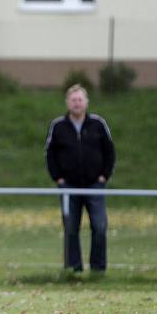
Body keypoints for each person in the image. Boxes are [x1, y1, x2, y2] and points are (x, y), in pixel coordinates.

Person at [45, 84, 115, 275]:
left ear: (86, 102)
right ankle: (73, 268)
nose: (77, 103)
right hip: (68, 186)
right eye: (73, 100)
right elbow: (50, 155)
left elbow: (110, 152)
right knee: (70, 227)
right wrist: (58, 178)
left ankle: (98, 268)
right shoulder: (58, 126)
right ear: (67, 103)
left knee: (100, 226)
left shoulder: (98, 124)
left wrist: (103, 177)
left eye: (80, 99)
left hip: (94, 185)